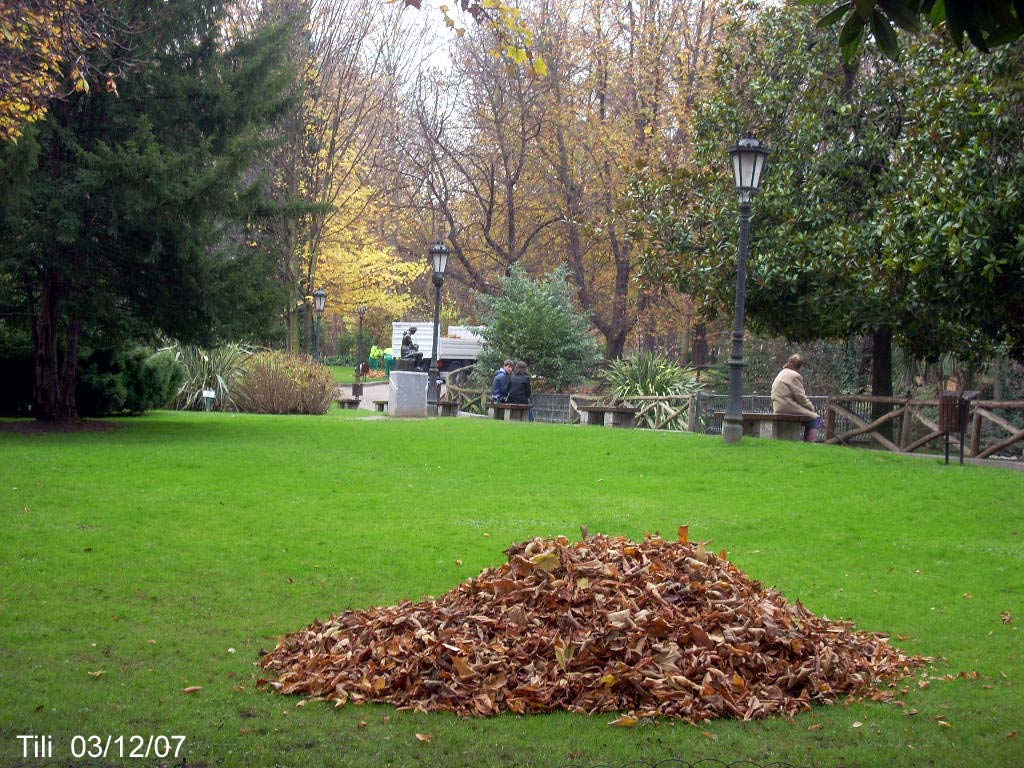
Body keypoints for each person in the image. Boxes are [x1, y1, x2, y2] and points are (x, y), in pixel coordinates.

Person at [771, 354, 821, 442]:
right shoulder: (794, 376)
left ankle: (807, 443)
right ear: (800, 366)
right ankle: (810, 444)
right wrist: (811, 408)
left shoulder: (782, 373)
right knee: (815, 418)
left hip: (778, 407)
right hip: (787, 407)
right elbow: (801, 397)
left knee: (810, 417)